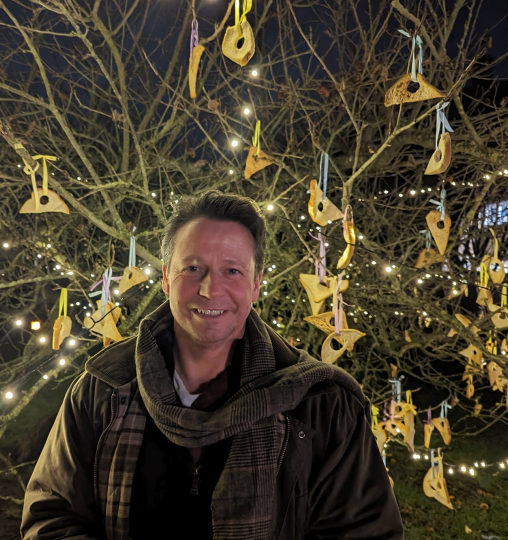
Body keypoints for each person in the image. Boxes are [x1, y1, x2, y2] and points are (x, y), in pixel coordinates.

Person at [21, 191, 404, 540]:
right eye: (192, 269)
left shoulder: (323, 405)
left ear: (256, 284)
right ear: (167, 279)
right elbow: (51, 517)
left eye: (232, 271)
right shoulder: (104, 388)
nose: (210, 289)